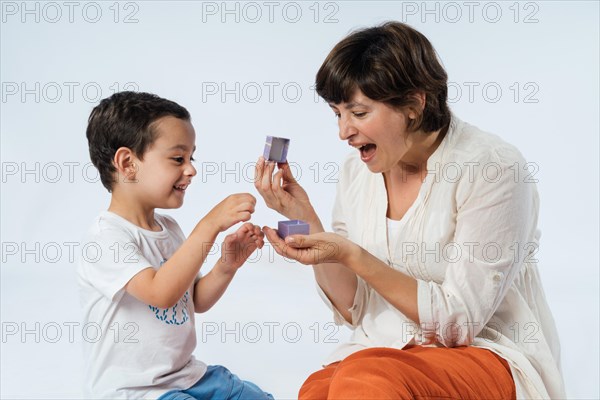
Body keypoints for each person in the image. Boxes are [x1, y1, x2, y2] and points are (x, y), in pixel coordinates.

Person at [255, 22, 565, 399]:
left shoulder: (493, 168)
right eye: (337, 113)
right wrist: (308, 221)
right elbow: (356, 309)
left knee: (367, 380)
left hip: (482, 352)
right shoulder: (358, 172)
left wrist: (353, 254)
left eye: (358, 112)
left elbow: (459, 323)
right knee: (318, 390)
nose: (343, 131)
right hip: (381, 351)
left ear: (414, 104)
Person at [78, 91, 273, 400]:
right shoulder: (106, 238)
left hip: (188, 376)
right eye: (177, 158)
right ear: (127, 163)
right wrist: (209, 225)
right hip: (137, 392)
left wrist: (227, 265)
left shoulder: (169, 229)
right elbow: (161, 294)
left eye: (191, 157)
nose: (191, 168)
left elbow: (193, 299)